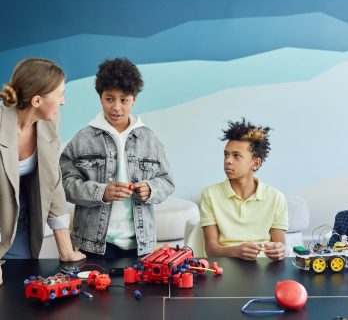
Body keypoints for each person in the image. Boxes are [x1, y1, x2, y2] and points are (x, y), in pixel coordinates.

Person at [59, 57, 175, 259]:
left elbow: (167, 181)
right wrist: (101, 192)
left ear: (134, 99)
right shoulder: (82, 139)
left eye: (124, 100)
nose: (117, 107)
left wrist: (150, 189)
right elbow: (64, 185)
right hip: (92, 245)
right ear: (100, 98)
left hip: (140, 244)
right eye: (109, 98)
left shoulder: (150, 139)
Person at [0, 58, 86, 285]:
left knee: (18, 285)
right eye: (59, 95)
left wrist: (66, 250)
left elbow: (52, 180)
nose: (63, 102)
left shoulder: (50, 121)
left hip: (20, 218)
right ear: (37, 100)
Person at [200, 118, 288, 261]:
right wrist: (236, 251)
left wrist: (281, 250)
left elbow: (281, 247)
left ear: (255, 163)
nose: (228, 160)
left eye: (236, 156)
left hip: (264, 266)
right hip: (226, 265)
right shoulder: (210, 194)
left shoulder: (276, 197)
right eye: (226, 154)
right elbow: (210, 249)